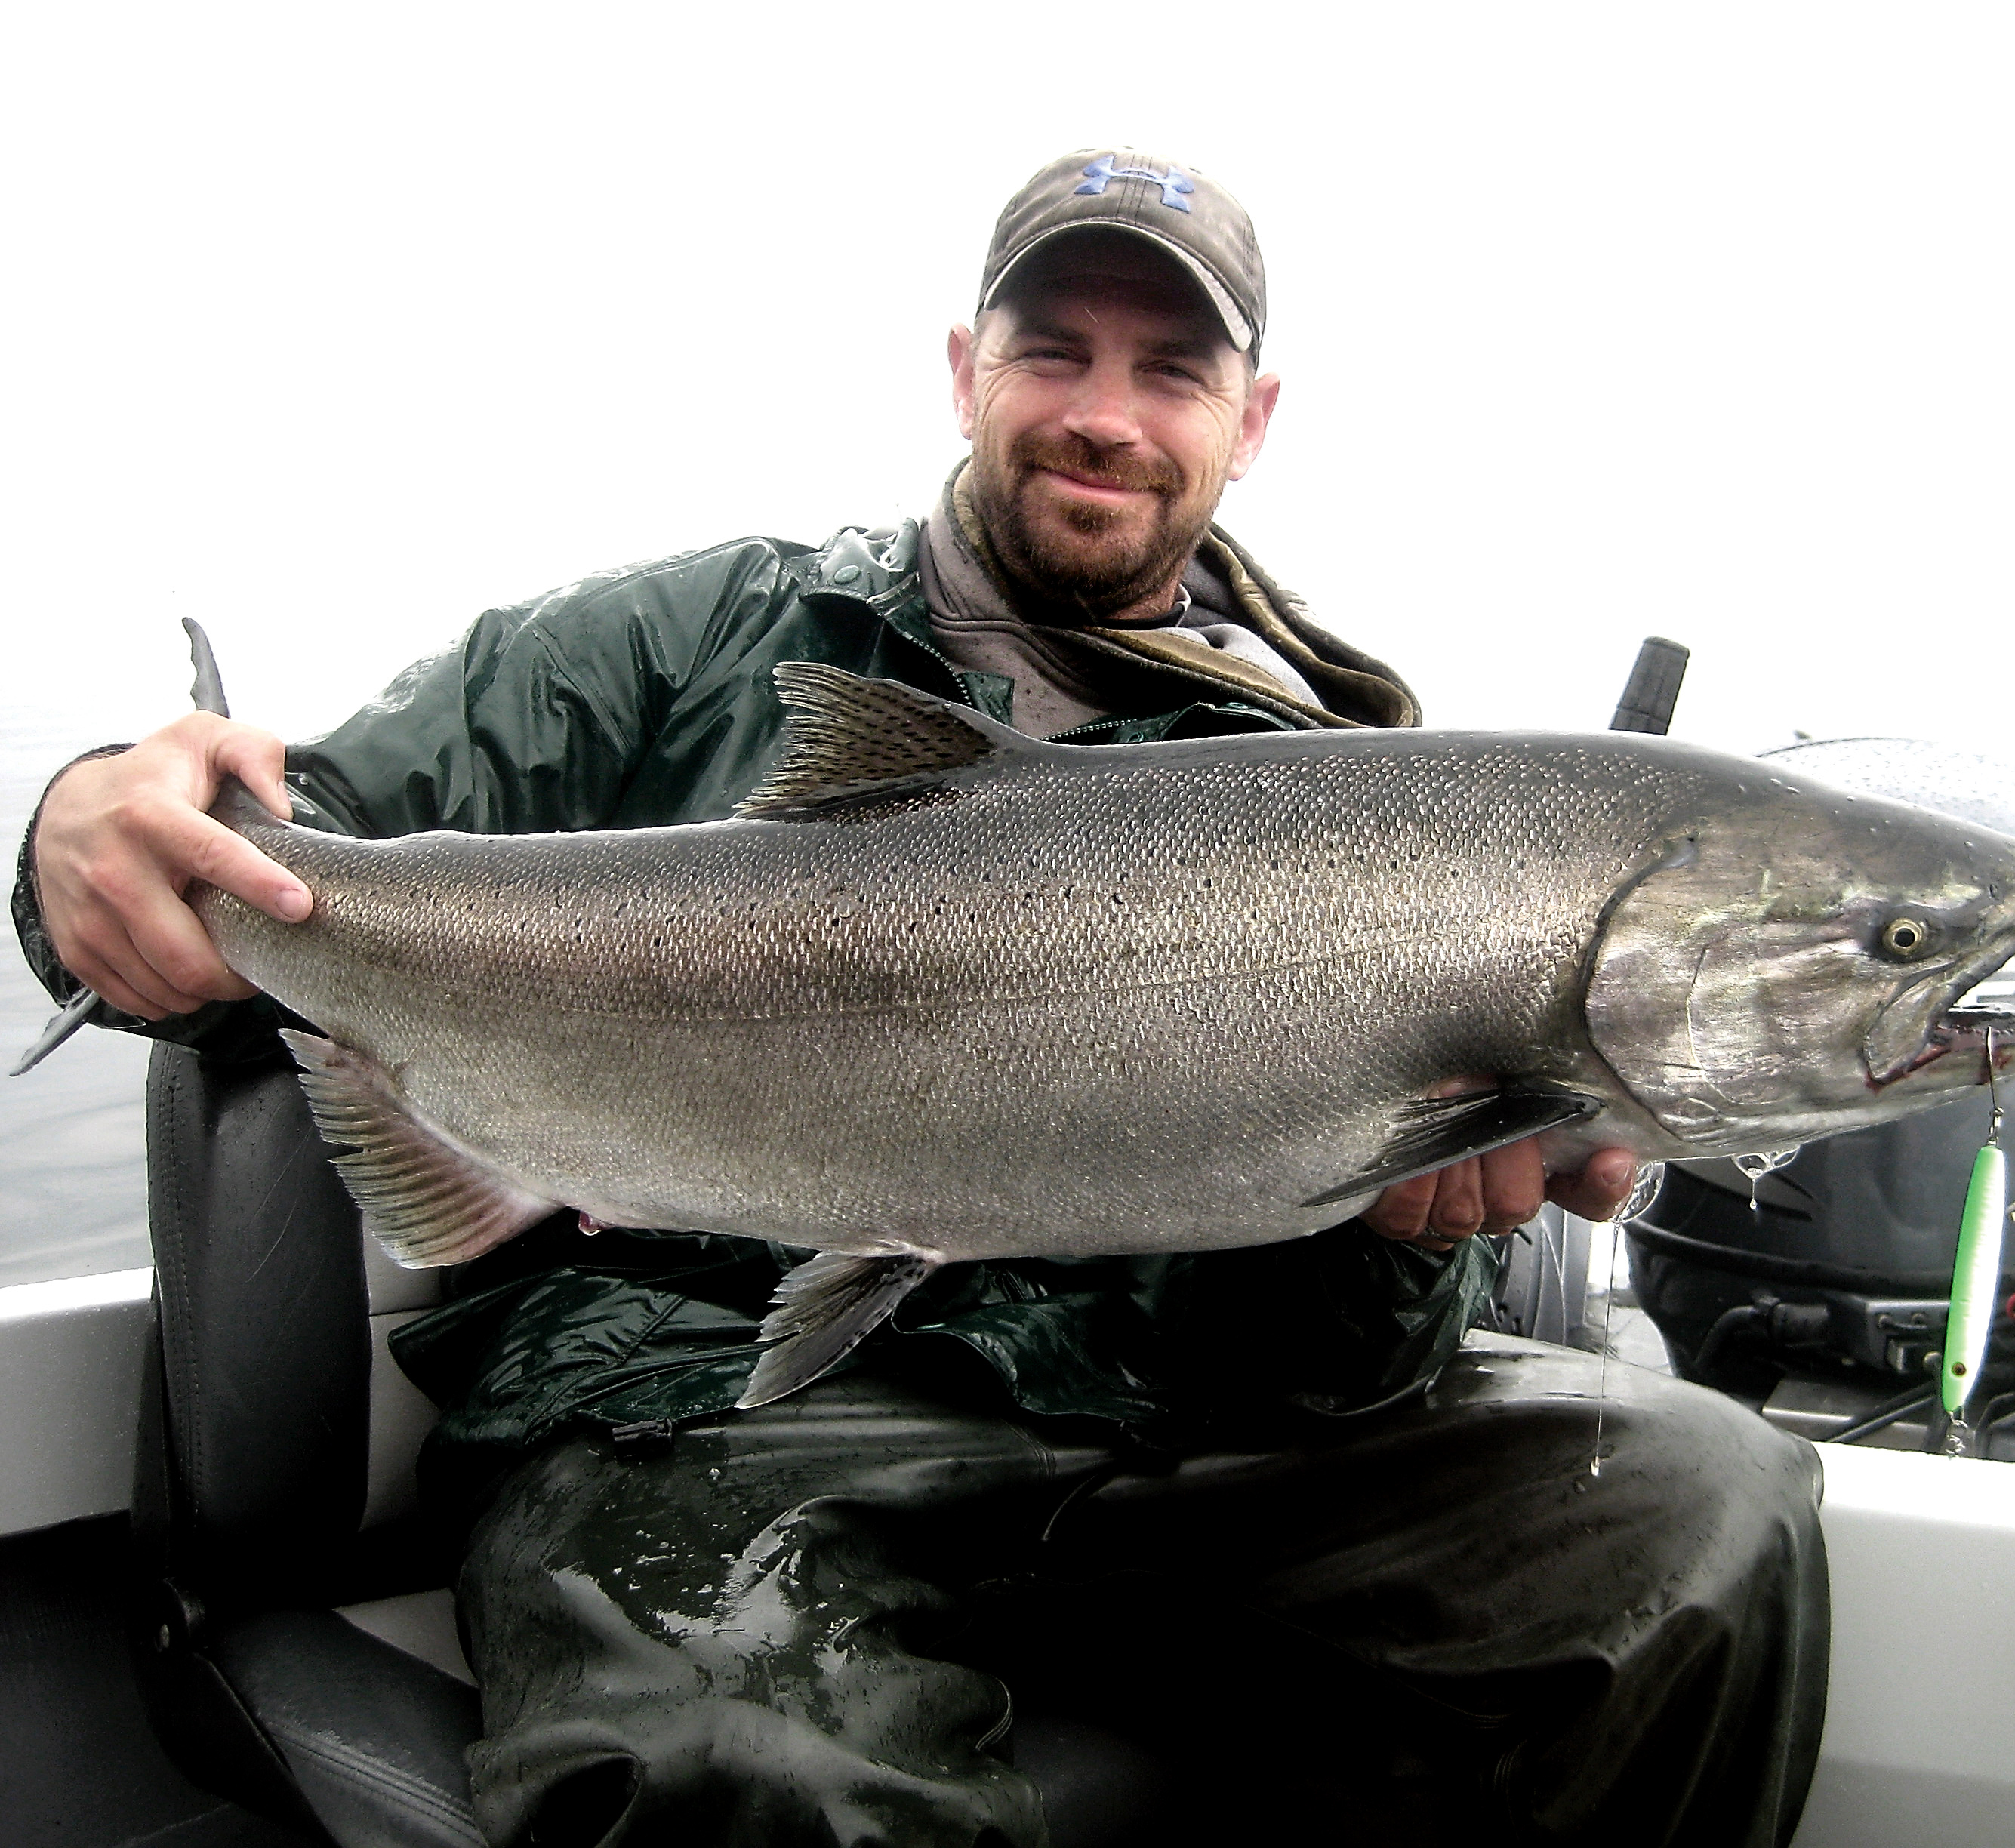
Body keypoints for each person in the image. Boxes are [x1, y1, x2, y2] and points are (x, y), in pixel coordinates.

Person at [18, 150, 1827, 1846]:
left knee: (1702, 1506)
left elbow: (1331, 1379)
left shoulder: (1334, 788)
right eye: (1056, 350)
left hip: (1173, 1441)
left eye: (1171, 369)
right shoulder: (696, 639)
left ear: (1248, 422)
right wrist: (81, 827)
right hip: (704, 1423)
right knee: (743, 1758)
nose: (1106, 413)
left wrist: (1409, 1239)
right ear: (967, 369)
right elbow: (275, 843)